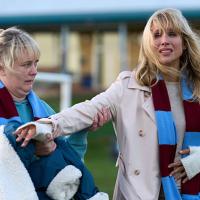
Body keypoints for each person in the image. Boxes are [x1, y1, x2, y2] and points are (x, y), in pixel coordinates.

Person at [15, 8, 200, 200]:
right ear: (148, 43)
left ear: (184, 42)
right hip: (139, 193)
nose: (164, 41)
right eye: (157, 35)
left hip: (188, 191)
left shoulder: (197, 89)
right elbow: (87, 110)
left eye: (172, 34)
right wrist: (48, 125)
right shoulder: (128, 86)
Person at [0, 27, 109, 200]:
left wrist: (80, 131)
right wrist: (36, 151)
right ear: (2, 68)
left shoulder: (43, 110)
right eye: (26, 64)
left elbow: (68, 169)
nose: (34, 70)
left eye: (35, 62)